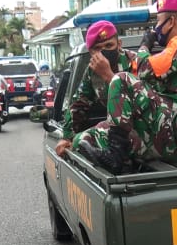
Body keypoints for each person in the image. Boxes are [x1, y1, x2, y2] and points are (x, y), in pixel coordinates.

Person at [75, 0, 177, 173]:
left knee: (122, 79)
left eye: (159, 21)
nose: (156, 28)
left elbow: (143, 69)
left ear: (171, 22)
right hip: (172, 126)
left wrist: (144, 46)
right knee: (86, 138)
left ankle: (116, 155)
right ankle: (118, 154)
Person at [55, 20, 134, 159]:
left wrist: (109, 76)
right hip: (115, 131)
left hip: (142, 126)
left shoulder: (137, 63)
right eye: (98, 48)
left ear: (119, 45)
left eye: (109, 45)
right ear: (91, 52)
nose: (104, 51)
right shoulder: (92, 72)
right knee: (81, 140)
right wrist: (67, 137)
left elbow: (143, 103)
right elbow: (79, 104)